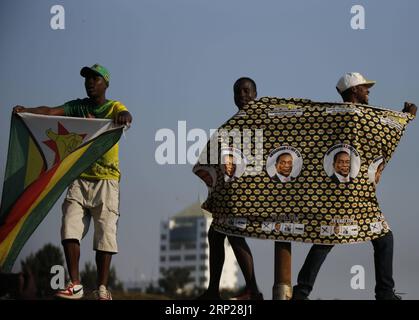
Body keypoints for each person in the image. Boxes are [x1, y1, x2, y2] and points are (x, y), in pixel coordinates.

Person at [292, 72, 417, 300]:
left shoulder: (334, 116)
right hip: (355, 196)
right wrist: (406, 117)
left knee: (328, 239)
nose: (368, 90)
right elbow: (386, 130)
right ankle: (385, 293)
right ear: (353, 91)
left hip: (342, 195)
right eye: (364, 87)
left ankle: (301, 291)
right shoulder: (359, 116)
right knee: (381, 239)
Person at [13, 64, 132, 300]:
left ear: (105, 84)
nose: (89, 82)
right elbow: (50, 111)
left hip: (107, 181)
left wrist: (124, 117)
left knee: (104, 235)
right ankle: (75, 284)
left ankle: (102, 289)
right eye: (87, 78)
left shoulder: (113, 107)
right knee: (69, 225)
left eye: (95, 78)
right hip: (78, 178)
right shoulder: (78, 106)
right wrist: (26, 110)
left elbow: (127, 115)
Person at [197, 77, 263, 300]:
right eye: (237, 92)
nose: (242, 96)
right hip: (232, 194)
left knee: (232, 235)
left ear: (255, 94)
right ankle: (214, 291)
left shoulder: (261, 121)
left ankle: (253, 291)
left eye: (246, 91)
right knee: (216, 235)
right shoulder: (234, 124)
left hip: (250, 194)